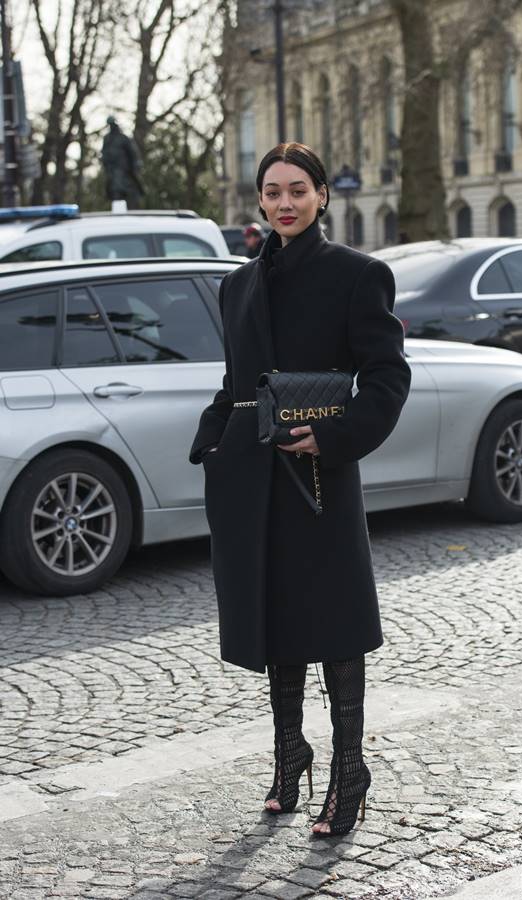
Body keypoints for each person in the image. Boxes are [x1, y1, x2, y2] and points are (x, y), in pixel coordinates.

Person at [189, 142, 411, 836]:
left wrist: (337, 435)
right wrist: (211, 443)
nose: (285, 202)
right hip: (254, 481)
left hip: (321, 476)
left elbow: (386, 376)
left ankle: (350, 773)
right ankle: (291, 754)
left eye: (298, 190)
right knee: (275, 621)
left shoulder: (358, 275)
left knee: (338, 627)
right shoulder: (237, 285)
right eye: (273, 191)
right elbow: (235, 385)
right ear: (259, 201)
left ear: (321, 196)